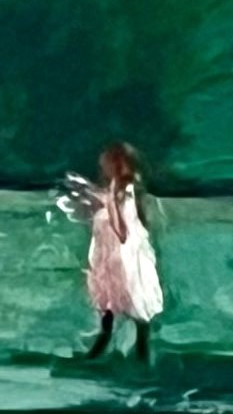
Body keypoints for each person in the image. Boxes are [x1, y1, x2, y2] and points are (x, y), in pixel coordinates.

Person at [80, 142, 163, 363]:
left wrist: (110, 204)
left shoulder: (123, 192)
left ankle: (132, 354)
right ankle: (125, 353)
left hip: (125, 259)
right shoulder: (122, 191)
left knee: (131, 302)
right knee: (113, 306)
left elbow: (122, 232)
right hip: (115, 259)